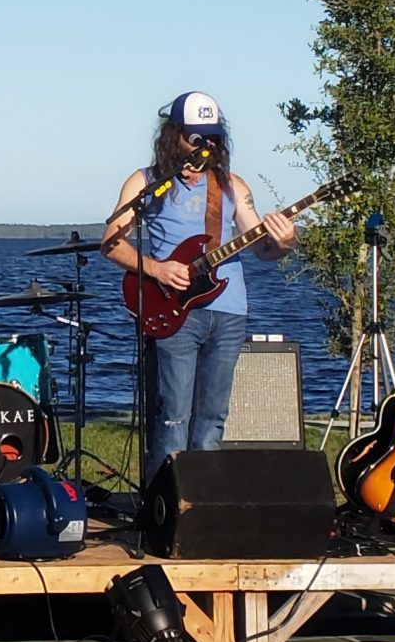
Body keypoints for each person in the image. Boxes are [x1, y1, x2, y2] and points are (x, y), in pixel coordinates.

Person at [103, 92, 296, 484]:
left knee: (213, 416)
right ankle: (163, 505)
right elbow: (111, 241)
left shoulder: (230, 186)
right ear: (174, 136)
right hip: (173, 309)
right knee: (173, 412)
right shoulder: (146, 182)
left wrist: (285, 241)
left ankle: (200, 504)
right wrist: (156, 269)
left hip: (228, 310)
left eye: (212, 138)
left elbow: (261, 248)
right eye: (196, 137)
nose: (205, 145)